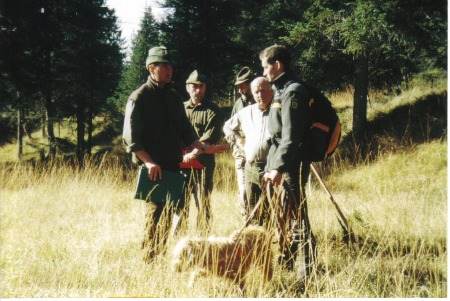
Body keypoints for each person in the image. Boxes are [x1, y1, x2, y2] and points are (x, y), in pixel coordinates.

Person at [122, 46, 226, 263]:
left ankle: (159, 256)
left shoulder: (172, 96)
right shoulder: (139, 97)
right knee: (153, 215)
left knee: (169, 214)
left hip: (173, 166)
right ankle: (148, 260)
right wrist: (149, 163)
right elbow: (131, 138)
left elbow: (185, 129)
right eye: (164, 66)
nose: (169, 70)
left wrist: (199, 146)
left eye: (170, 66)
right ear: (152, 68)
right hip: (153, 168)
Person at [259, 44, 316, 278]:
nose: (263, 73)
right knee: (285, 215)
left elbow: (290, 137)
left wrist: (279, 167)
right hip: (281, 164)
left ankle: (306, 273)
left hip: (292, 165)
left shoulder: (292, 92)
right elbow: (277, 136)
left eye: (265, 67)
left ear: (278, 65)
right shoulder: (280, 90)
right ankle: (292, 264)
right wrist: (271, 167)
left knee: (297, 216)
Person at [223, 77, 273, 224]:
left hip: (271, 168)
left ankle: (276, 241)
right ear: (252, 93)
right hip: (251, 168)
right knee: (253, 210)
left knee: (274, 208)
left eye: (263, 90)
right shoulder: (246, 112)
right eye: (256, 92)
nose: (260, 95)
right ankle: (258, 242)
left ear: (270, 90)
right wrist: (238, 140)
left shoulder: (278, 111)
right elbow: (227, 127)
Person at [182, 70, 222, 232]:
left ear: (205, 88)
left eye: (201, 86)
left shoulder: (212, 110)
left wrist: (193, 154)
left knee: (203, 202)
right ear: (187, 87)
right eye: (194, 86)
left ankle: (203, 239)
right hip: (182, 164)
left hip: (203, 164)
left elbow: (210, 136)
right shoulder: (181, 108)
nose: (198, 90)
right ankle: (180, 238)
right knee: (180, 203)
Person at [230, 67, 257, 218]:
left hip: (261, 155)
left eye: (243, 85)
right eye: (239, 86)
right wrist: (236, 144)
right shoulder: (238, 104)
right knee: (244, 191)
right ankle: (246, 222)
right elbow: (229, 128)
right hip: (242, 154)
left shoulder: (264, 98)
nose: (240, 89)